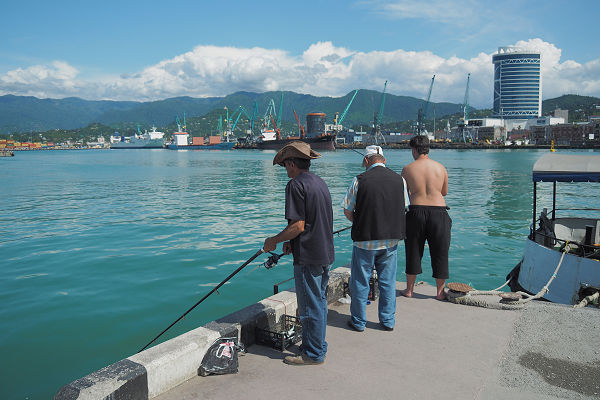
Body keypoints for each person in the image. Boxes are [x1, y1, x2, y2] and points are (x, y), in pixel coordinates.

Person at [263, 141, 334, 366]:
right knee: (319, 302)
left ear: (292, 163)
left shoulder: (295, 185)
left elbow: (299, 225)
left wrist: (273, 240)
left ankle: (313, 354)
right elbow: (313, 221)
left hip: (308, 256)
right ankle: (317, 344)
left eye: (285, 165)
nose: (286, 170)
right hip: (324, 252)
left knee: (309, 307)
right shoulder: (319, 183)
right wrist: (291, 242)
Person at [341, 145, 407, 332]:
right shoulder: (399, 180)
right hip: (391, 240)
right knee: (387, 282)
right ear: (384, 160)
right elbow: (404, 207)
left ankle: (359, 322)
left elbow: (347, 210)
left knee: (360, 282)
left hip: (364, 240)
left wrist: (360, 221)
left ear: (366, 160)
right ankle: (387, 321)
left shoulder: (359, 180)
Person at [401, 135, 451, 300]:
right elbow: (444, 192)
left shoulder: (407, 169)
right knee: (440, 252)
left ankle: (409, 290)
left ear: (414, 150)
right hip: (439, 212)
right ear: (428, 149)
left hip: (416, 212)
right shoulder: (441, 168)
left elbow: (405, 195)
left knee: (413, 250)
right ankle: (439, 293)